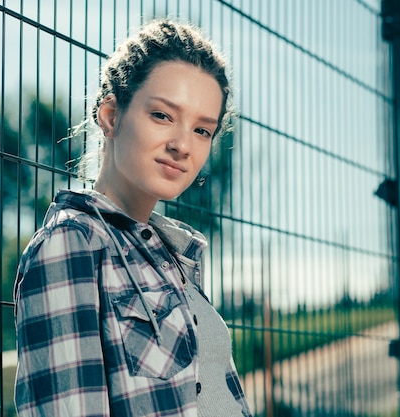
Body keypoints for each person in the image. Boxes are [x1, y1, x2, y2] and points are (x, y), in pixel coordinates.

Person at [13, 19, 252, 417]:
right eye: (162, 115)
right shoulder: (73, 244)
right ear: (110, 114)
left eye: (202, 131)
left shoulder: (173, 256)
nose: (181, 145)